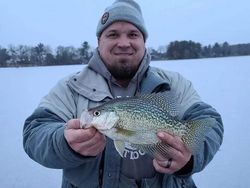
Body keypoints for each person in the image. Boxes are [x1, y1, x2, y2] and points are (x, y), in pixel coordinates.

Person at [23, 0, 224, 187]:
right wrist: (63, 143)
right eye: (112, 34)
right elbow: (34, 133)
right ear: (99, 40)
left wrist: (189, 159)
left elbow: (208, 122)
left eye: (133, 34)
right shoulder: (70, 86)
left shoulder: (173, 83)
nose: (124, 43)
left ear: (143, 41)